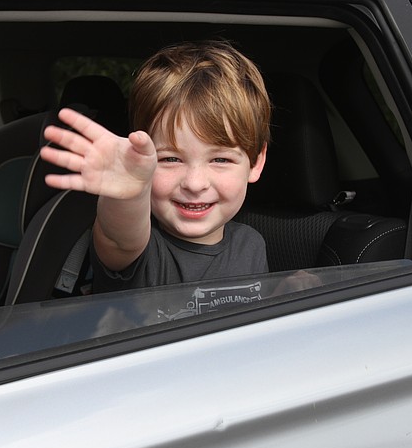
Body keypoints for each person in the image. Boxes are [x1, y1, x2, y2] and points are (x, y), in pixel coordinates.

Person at [40, 40, 271, 296]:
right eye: (170, 159)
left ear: (255, 162)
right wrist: (127, 194)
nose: (195, 183)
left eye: (220, 160)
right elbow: (119, 239)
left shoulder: (251, 245)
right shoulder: (142, 253)